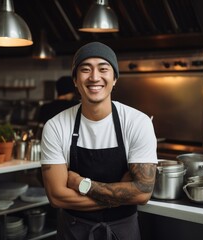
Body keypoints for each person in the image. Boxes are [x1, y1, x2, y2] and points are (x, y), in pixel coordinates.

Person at [40, 42, 158, 240]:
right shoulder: (56, 126)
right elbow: (57, 196)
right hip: (73, 231)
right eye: (85, 70)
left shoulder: (138, 122)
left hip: (123, 231)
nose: (94, 77)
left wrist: (81, 184)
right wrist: (122, 194)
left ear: (114, 79)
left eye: (103, 69)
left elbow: (142, 193)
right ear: (75, 80)